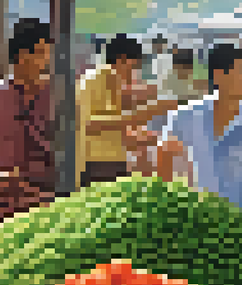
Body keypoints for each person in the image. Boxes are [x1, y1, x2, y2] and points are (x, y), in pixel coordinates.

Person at [157, 44, 242, 215]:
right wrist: (170, 206)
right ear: (219, 75)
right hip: (192, 219)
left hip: (238, 221)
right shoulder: (184, 117)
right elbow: (164, 161)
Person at [77, 34, 182, 187]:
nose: (134, 74)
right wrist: (145, 114)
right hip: (99, 163)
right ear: (122, 60)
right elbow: (91, 125)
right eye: (133, 67)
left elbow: (113, 129)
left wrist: (156, 139)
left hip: (108, 162)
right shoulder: (102, 78)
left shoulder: (107, 80)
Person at [0, 19, 56, 192]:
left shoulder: (59, 96)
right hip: (6, 192)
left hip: (54, 191)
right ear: (22, 55)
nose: (48, 60)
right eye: (43, 53)